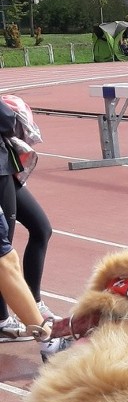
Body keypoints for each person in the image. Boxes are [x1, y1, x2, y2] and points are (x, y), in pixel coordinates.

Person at [0, 101, 58, 358]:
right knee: (4, 255)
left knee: (41, 228)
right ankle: (4, 321)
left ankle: (33, 302)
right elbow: (6, 120)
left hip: (6, 166)